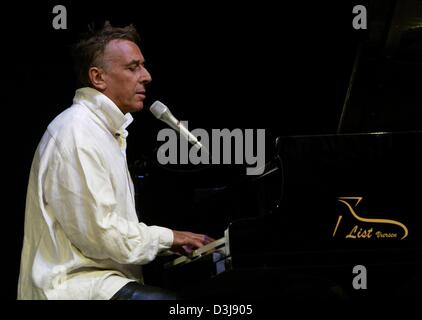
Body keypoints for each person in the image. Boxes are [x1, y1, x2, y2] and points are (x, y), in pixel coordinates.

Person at [17, 21, 213, 300]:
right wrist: (169, 237)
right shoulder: (77, 132)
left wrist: (168, 244)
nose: (146, 76)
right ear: (98, 78)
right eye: (133, 68)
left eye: (143, 66)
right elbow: (102, 234)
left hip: (103, 281)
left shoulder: (105, 132)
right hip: (72, 287)